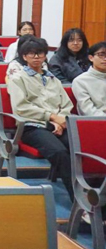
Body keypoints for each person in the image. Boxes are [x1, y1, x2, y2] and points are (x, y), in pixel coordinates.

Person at [7, 37, 74, 200]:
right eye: (31, 54)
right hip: (32, 127)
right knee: (59, 152)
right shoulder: (18, 79)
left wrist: (61, 121)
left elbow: (67, 104)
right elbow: (21, 107)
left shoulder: (53, 79)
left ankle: (95, 193)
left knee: (80, 148)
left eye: (40, 53)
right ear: (24, 56)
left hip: (58, 125)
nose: (36, 57)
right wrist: (51, 117)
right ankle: (78, 197)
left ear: (45, 56)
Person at [72, 42, 106, 116]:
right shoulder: (80, 81)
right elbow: (88, 110)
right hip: (97, 120)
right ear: (91, 58)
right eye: (101, 55)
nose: (105, 59)